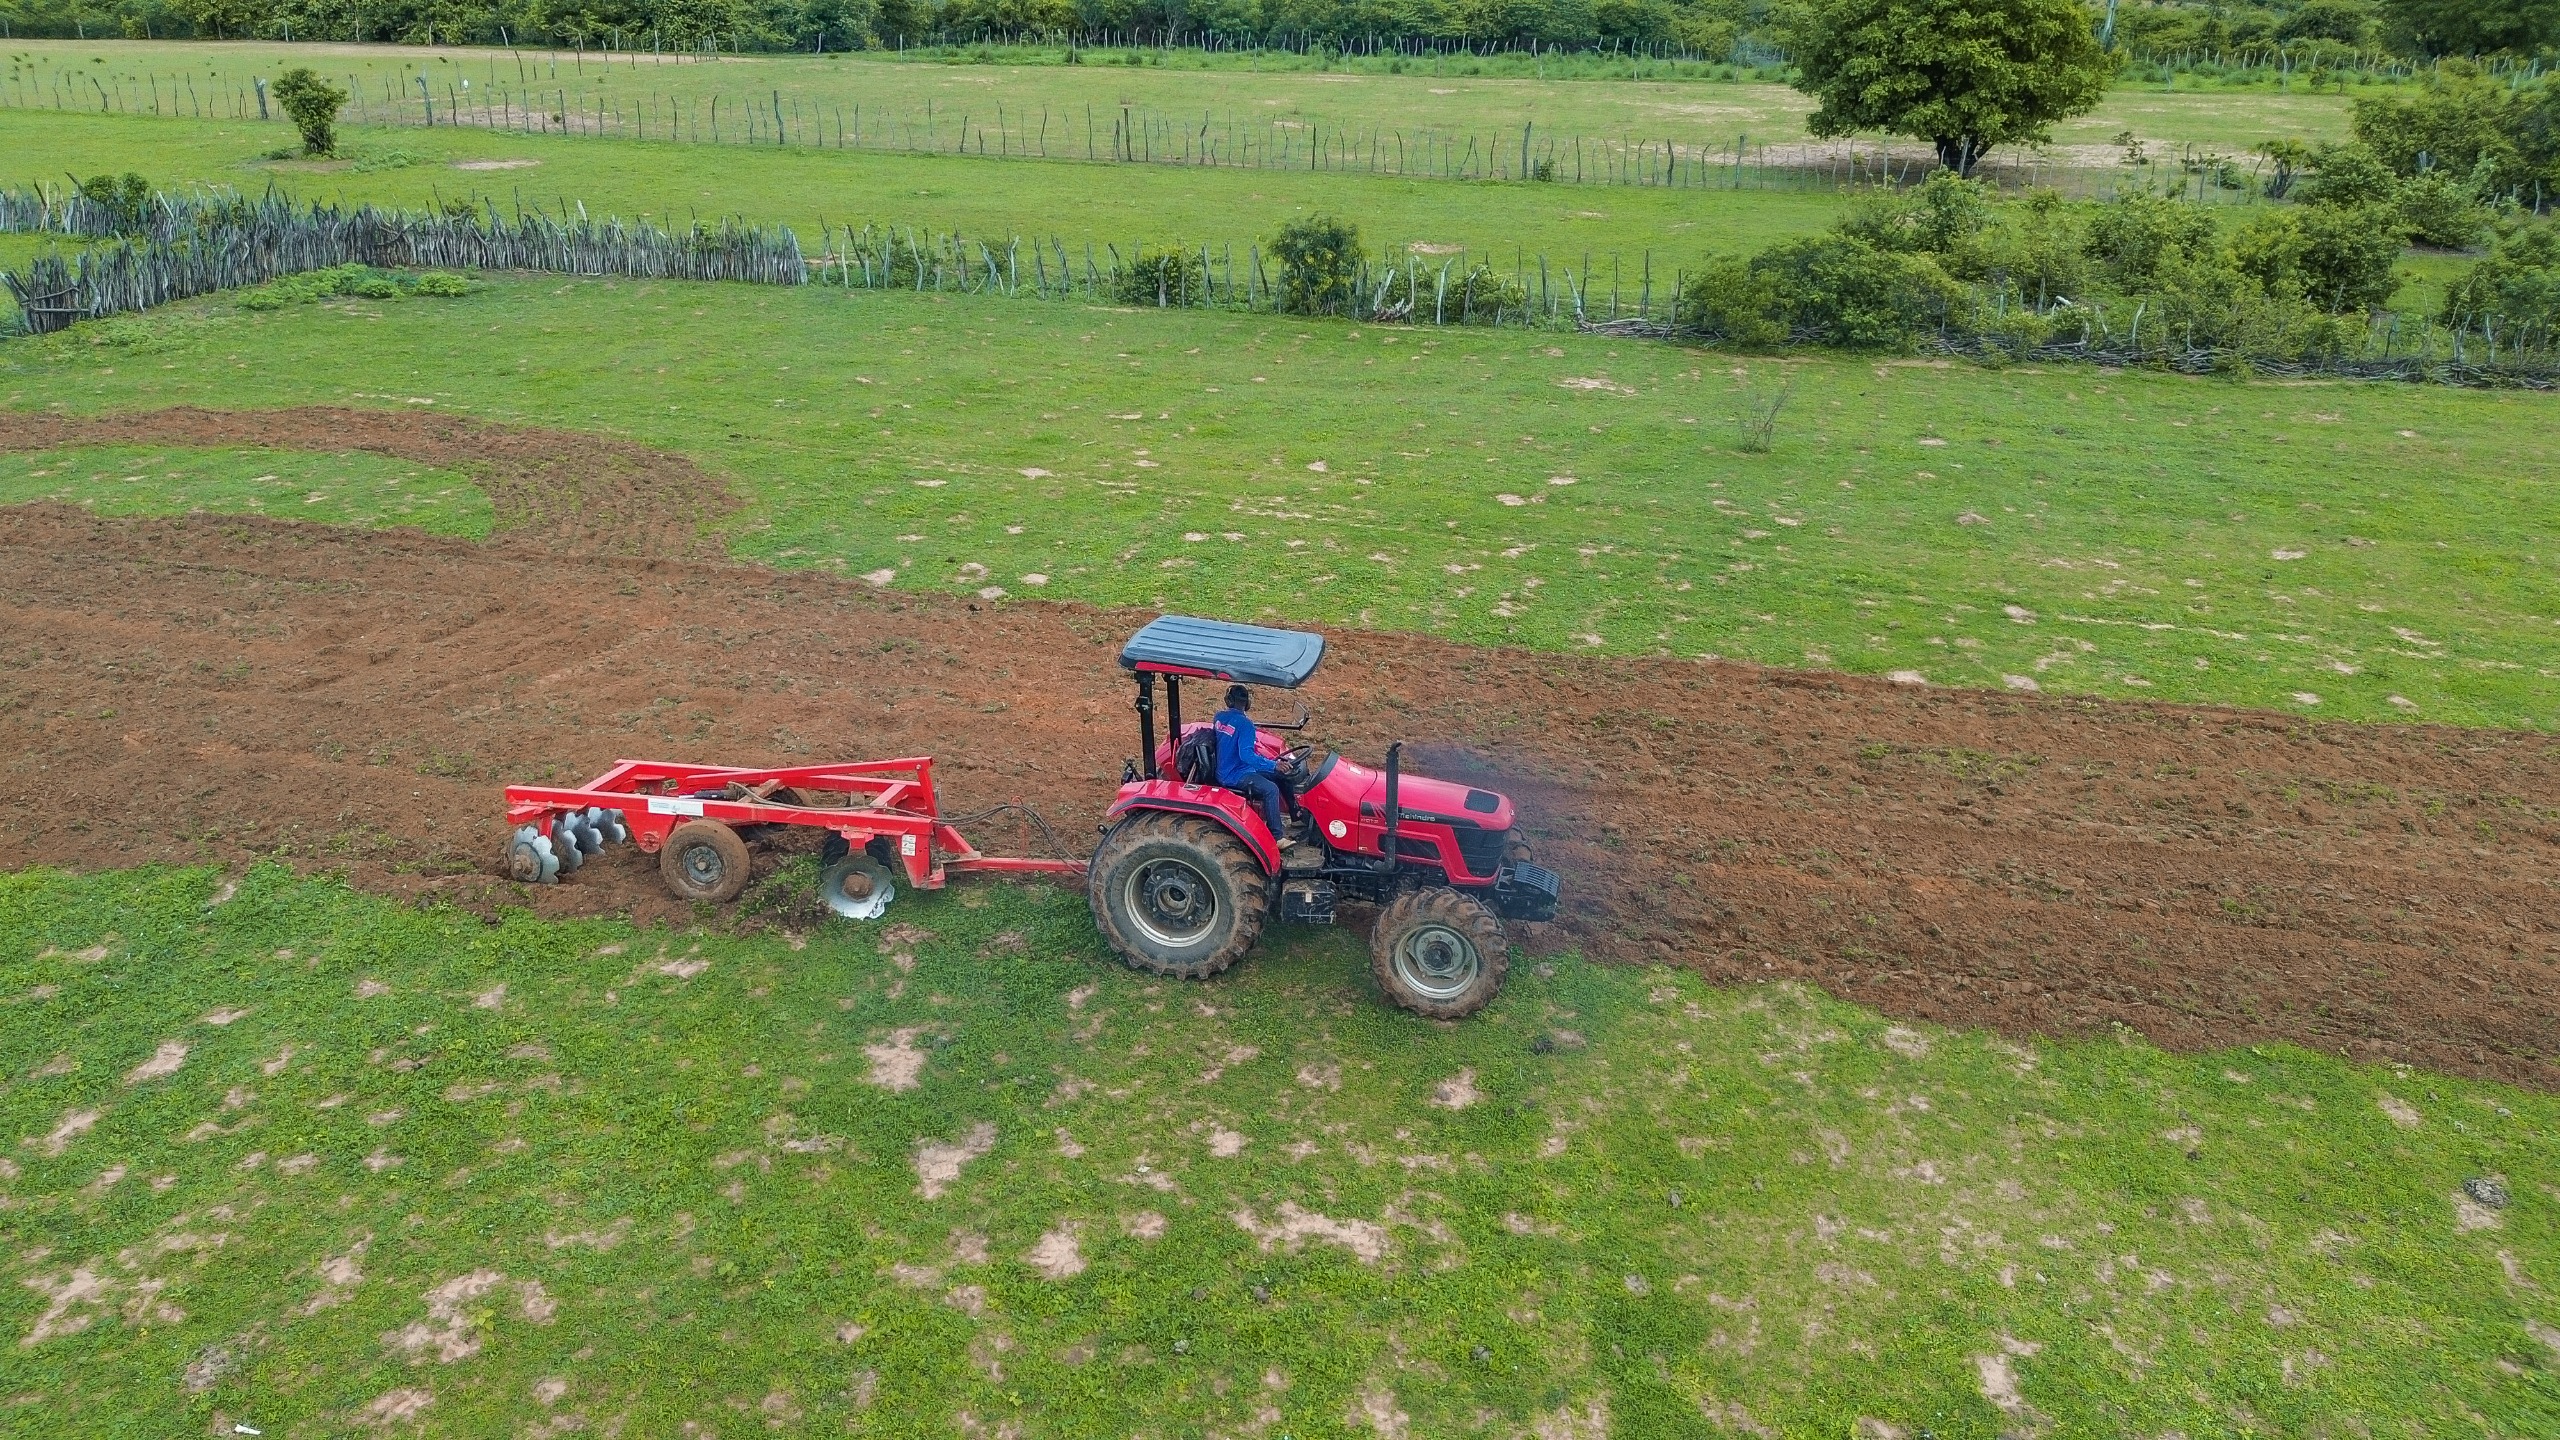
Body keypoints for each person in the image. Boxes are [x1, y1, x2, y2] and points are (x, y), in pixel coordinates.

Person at [1214, 684, 1295, 840]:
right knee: (1271, 789)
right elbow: (1246, 756)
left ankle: (1295, 815)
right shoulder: (1246, 724)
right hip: (1235, 774)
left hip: (1226, 768)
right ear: (1247, 703)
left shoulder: (1219, 717)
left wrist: (1272, 763)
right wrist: (1273, 765)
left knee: (1281, 776)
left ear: (1228, 700)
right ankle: (1276, 837)